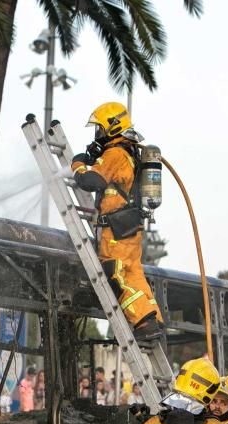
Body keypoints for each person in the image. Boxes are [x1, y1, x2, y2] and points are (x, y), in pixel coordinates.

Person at [71, 102, 163, 342]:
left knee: (116, 273)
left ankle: (142, 321)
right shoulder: (127, 152)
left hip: (116, 228)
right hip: (130, 226)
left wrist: (78, 164)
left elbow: (92, 181)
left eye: (100, 130)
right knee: (134, 273)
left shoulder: (115, 153)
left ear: (112, 128)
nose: (97, 135)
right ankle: (152, 318)